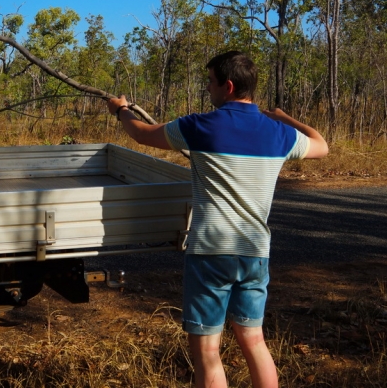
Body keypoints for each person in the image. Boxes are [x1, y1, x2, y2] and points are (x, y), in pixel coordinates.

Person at [107, 51, 328, 388]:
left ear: (227, 86)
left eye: (210, 83)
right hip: (255, 252)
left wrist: (121, 110)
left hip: (210, 251)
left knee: (208, 352)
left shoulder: (199, 126)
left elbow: (140, 133)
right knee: (253, 340)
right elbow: (322, 146)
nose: (207, 90)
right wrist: (284, 118)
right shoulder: (278, 134)